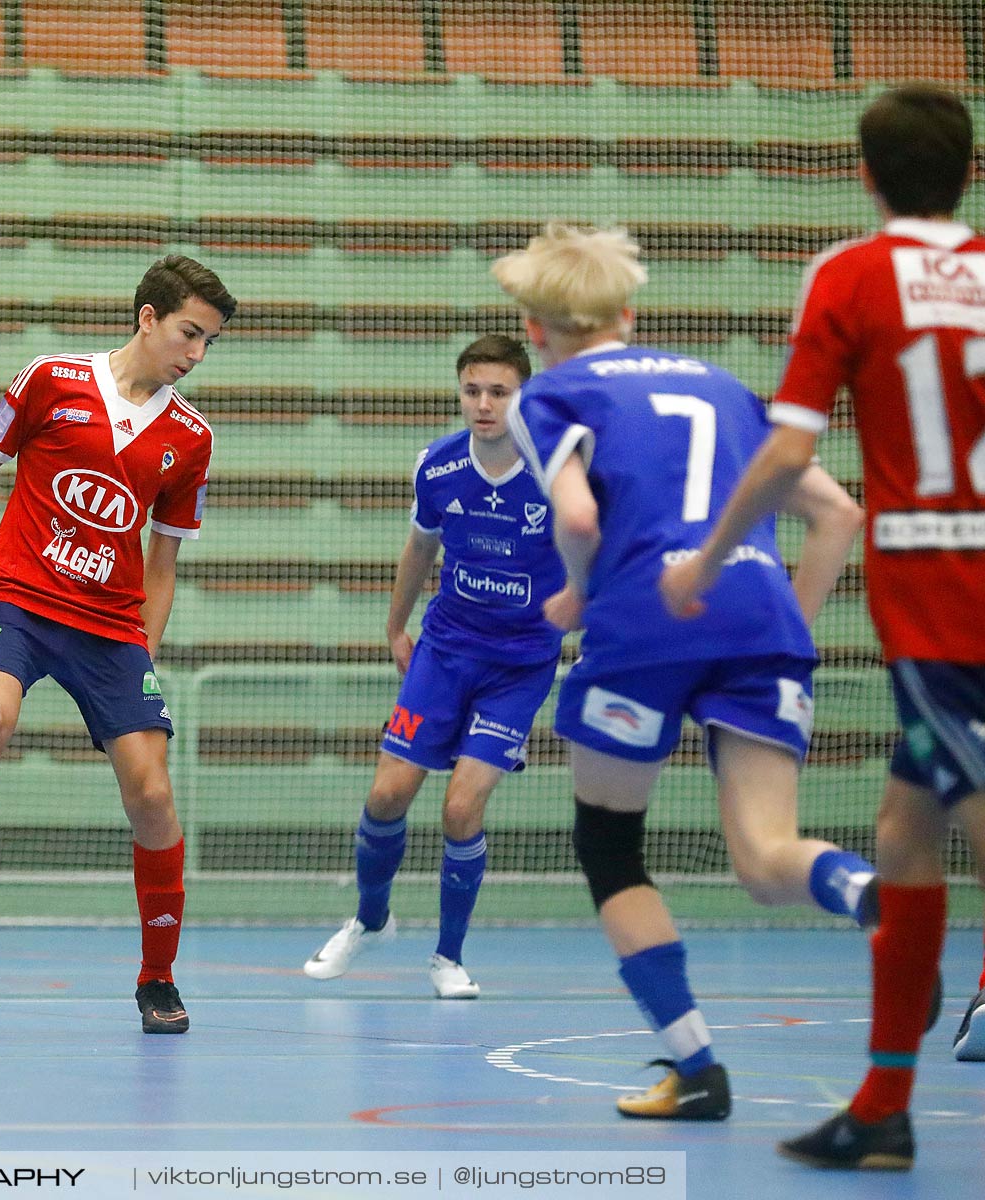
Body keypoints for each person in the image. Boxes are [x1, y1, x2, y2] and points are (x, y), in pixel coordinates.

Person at [661, 85, 985, 1169]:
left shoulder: (851, 275)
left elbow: (792, 453)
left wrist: (708, 558)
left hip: (946, 595)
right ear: (970, 172)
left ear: (865, 173)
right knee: (904, 837)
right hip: (949, 600)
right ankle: (884, 1110)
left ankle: (885, 1108)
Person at [495, 223, 879, 1122]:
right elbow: (838, 516)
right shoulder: (726, 387)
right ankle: (869, 894)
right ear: (628, 311)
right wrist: (783, 628)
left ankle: (698, 1068)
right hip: (759, 621)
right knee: (766, 857)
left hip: (644, 623)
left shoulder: (550, 393)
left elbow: (580, 519)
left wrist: (580, 600)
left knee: (609, 846)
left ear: (536, 326)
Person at [0, 255, 236, 1034]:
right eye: (189, 333)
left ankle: (158, 977)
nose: (195, 355)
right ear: (147, 318)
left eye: (210, 343)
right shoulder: (51, 379)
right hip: (16, 597)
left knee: (152, 794)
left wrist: (143, 652)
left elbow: (164, 560)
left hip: (113, 626)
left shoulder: (190, 440)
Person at [303, 335, 561, 999]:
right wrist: (395, 627)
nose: (483, 403)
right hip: (444, 651)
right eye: (472, 390)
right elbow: (419, 549)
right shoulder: (439, 466)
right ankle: (369, 918)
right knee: (387, 794)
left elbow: (595, 554)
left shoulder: (557, 470)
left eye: (498, 392)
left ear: (522, 395)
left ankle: (448, 957)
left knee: (460, 808)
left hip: (520, 665)